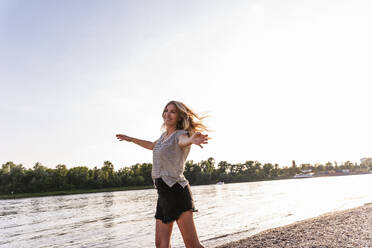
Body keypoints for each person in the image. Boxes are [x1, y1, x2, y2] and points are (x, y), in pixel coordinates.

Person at [116, 100, 208, 248]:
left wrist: (191, 139)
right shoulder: (162, 137)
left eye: (173, 111)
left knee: (192, 245)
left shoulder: (181, 134)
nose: (168, 114)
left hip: (177, 191)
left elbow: (183, 141)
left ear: (179, 116)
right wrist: (131, 139)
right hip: (163, 193)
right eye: (166, 110)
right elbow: (152, 145)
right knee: (161, 245)